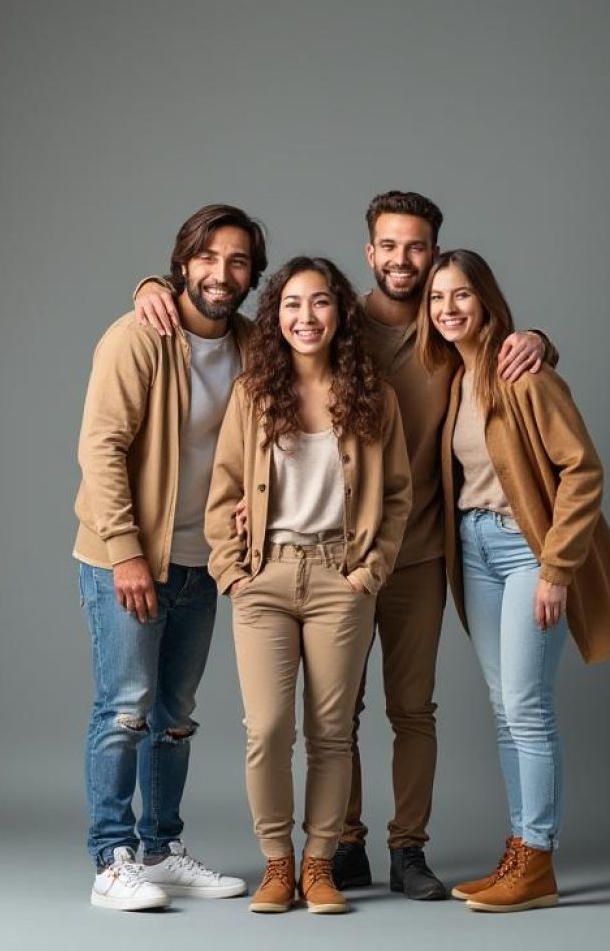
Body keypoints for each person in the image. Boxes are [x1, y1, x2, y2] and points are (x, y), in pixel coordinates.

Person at [135, 191, 552, 898]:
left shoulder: (446, 325)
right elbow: (233, 326)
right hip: (309, 563)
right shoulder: (334, 320)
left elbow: (499, 342)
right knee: (326, 718)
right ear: (370, 253)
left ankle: (406, 849)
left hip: (410, 552)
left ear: (433, 253)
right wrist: (153, 286)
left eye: (416, 247)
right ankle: (338, 848)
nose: (402, 259)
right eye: (389, 245)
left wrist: (537, 339)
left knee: (409, 710)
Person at [418, 249, 610, 912]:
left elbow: (584, 470)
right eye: (437, 298)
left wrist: (557, 567)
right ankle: (519, 850)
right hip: (474, 548)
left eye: (461, 295)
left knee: (527, 706)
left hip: (527, 551)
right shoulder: (455, 379)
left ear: (485, 300)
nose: (448, 309)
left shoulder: (522, 373)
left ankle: (538, 859)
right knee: (504, 705)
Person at [206, 256, 410, 914]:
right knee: (267, 729)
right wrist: (232, 572)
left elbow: (398, 495)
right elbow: (224, 491)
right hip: (265, 577)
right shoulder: (253, 394)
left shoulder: (374, 395)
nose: (306, 316)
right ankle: (277, 863)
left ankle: (319, 865)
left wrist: (369, 574)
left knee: (331, 731)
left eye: (320, 302)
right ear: (276, 317)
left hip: (338, 579)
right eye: (292, 304)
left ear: (340, 312)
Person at [73, 204, 258, 911]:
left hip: (201, 561)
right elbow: (101, 448)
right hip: (127, 556)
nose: (221, 273)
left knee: (175, 716)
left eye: (237, 260)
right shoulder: (138, 336)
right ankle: (111, 860)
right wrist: (125, 553)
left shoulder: (253, 345)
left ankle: (161, 849)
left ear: (252, 274)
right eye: (207, 257)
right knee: (125, 708)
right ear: (183, 262)